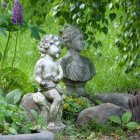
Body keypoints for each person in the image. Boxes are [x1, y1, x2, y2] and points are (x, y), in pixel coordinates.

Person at [34, 34, 65, 131]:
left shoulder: (56, 63)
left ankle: (56, 121)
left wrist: (58, 78)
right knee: (57, 99)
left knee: (60, 99)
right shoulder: (41, 61)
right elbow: (37, 75)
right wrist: (41, 82)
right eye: (57, 46)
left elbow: (61, 74)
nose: (59, 49)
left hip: (55, 86)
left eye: (60, 47)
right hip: (46, 88)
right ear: (47, 46)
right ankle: (51, 122)